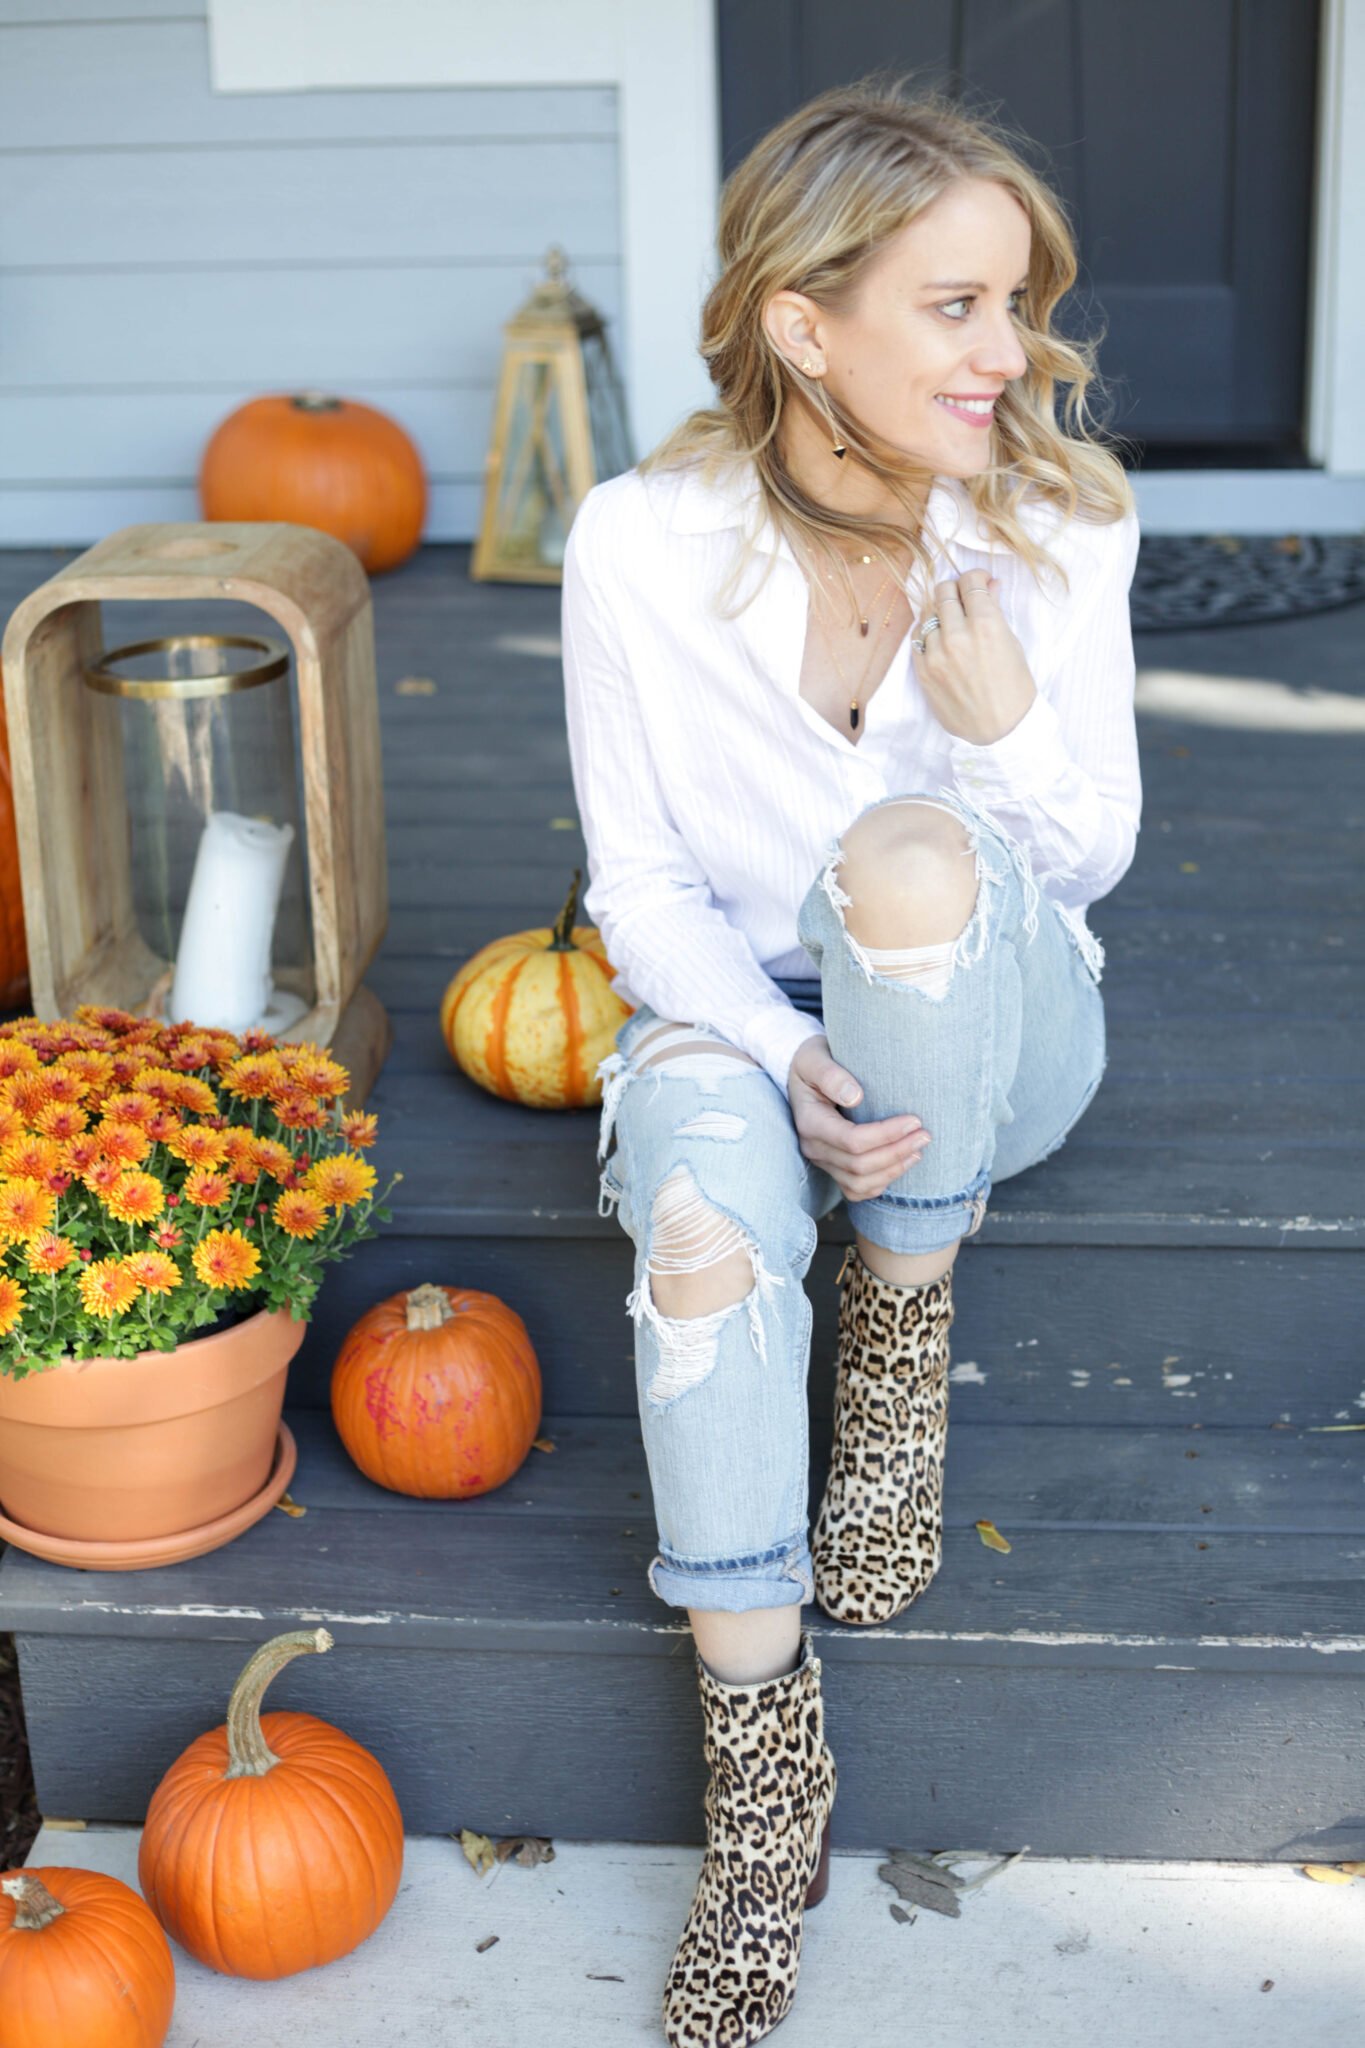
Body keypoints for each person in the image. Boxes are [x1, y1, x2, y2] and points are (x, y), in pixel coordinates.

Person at [562, 76, 1141, 2048]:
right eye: (953, 308)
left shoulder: (1055, 522)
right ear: (803, 323)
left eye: (1011, 304)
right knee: (708, 1229)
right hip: (748, 1002)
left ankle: (898, 1307)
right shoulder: (639, 545)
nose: (1007, 354)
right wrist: (766, 1044)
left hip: (995, 1038)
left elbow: (1084, 863)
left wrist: (986, 740)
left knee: (904, 853)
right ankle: (761, 1775)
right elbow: (636, 887)